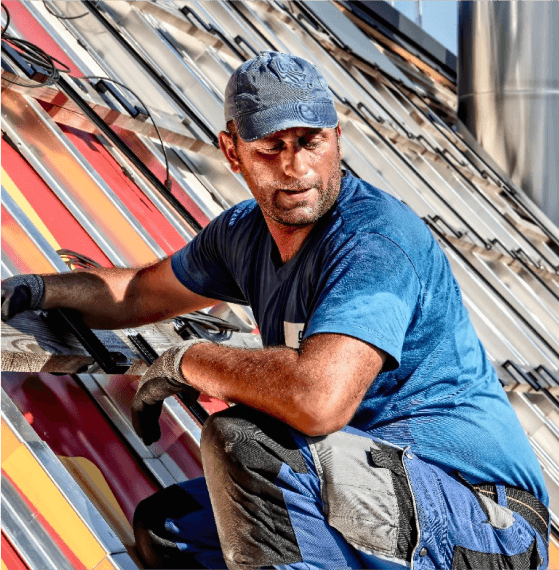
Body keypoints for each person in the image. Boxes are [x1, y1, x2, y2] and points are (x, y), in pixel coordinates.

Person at [1, 51, 550, 570]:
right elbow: (141, 292)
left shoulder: (375, 242)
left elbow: (318, 400)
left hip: (480, 520)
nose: (295, 168)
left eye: (311, 143)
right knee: (172, 528)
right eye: (270, 148)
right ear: (231, 150)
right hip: (372, 490)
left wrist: (191, 358)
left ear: (337, 138)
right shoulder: (244, 234)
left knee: (245, 443)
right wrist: (40, 290)